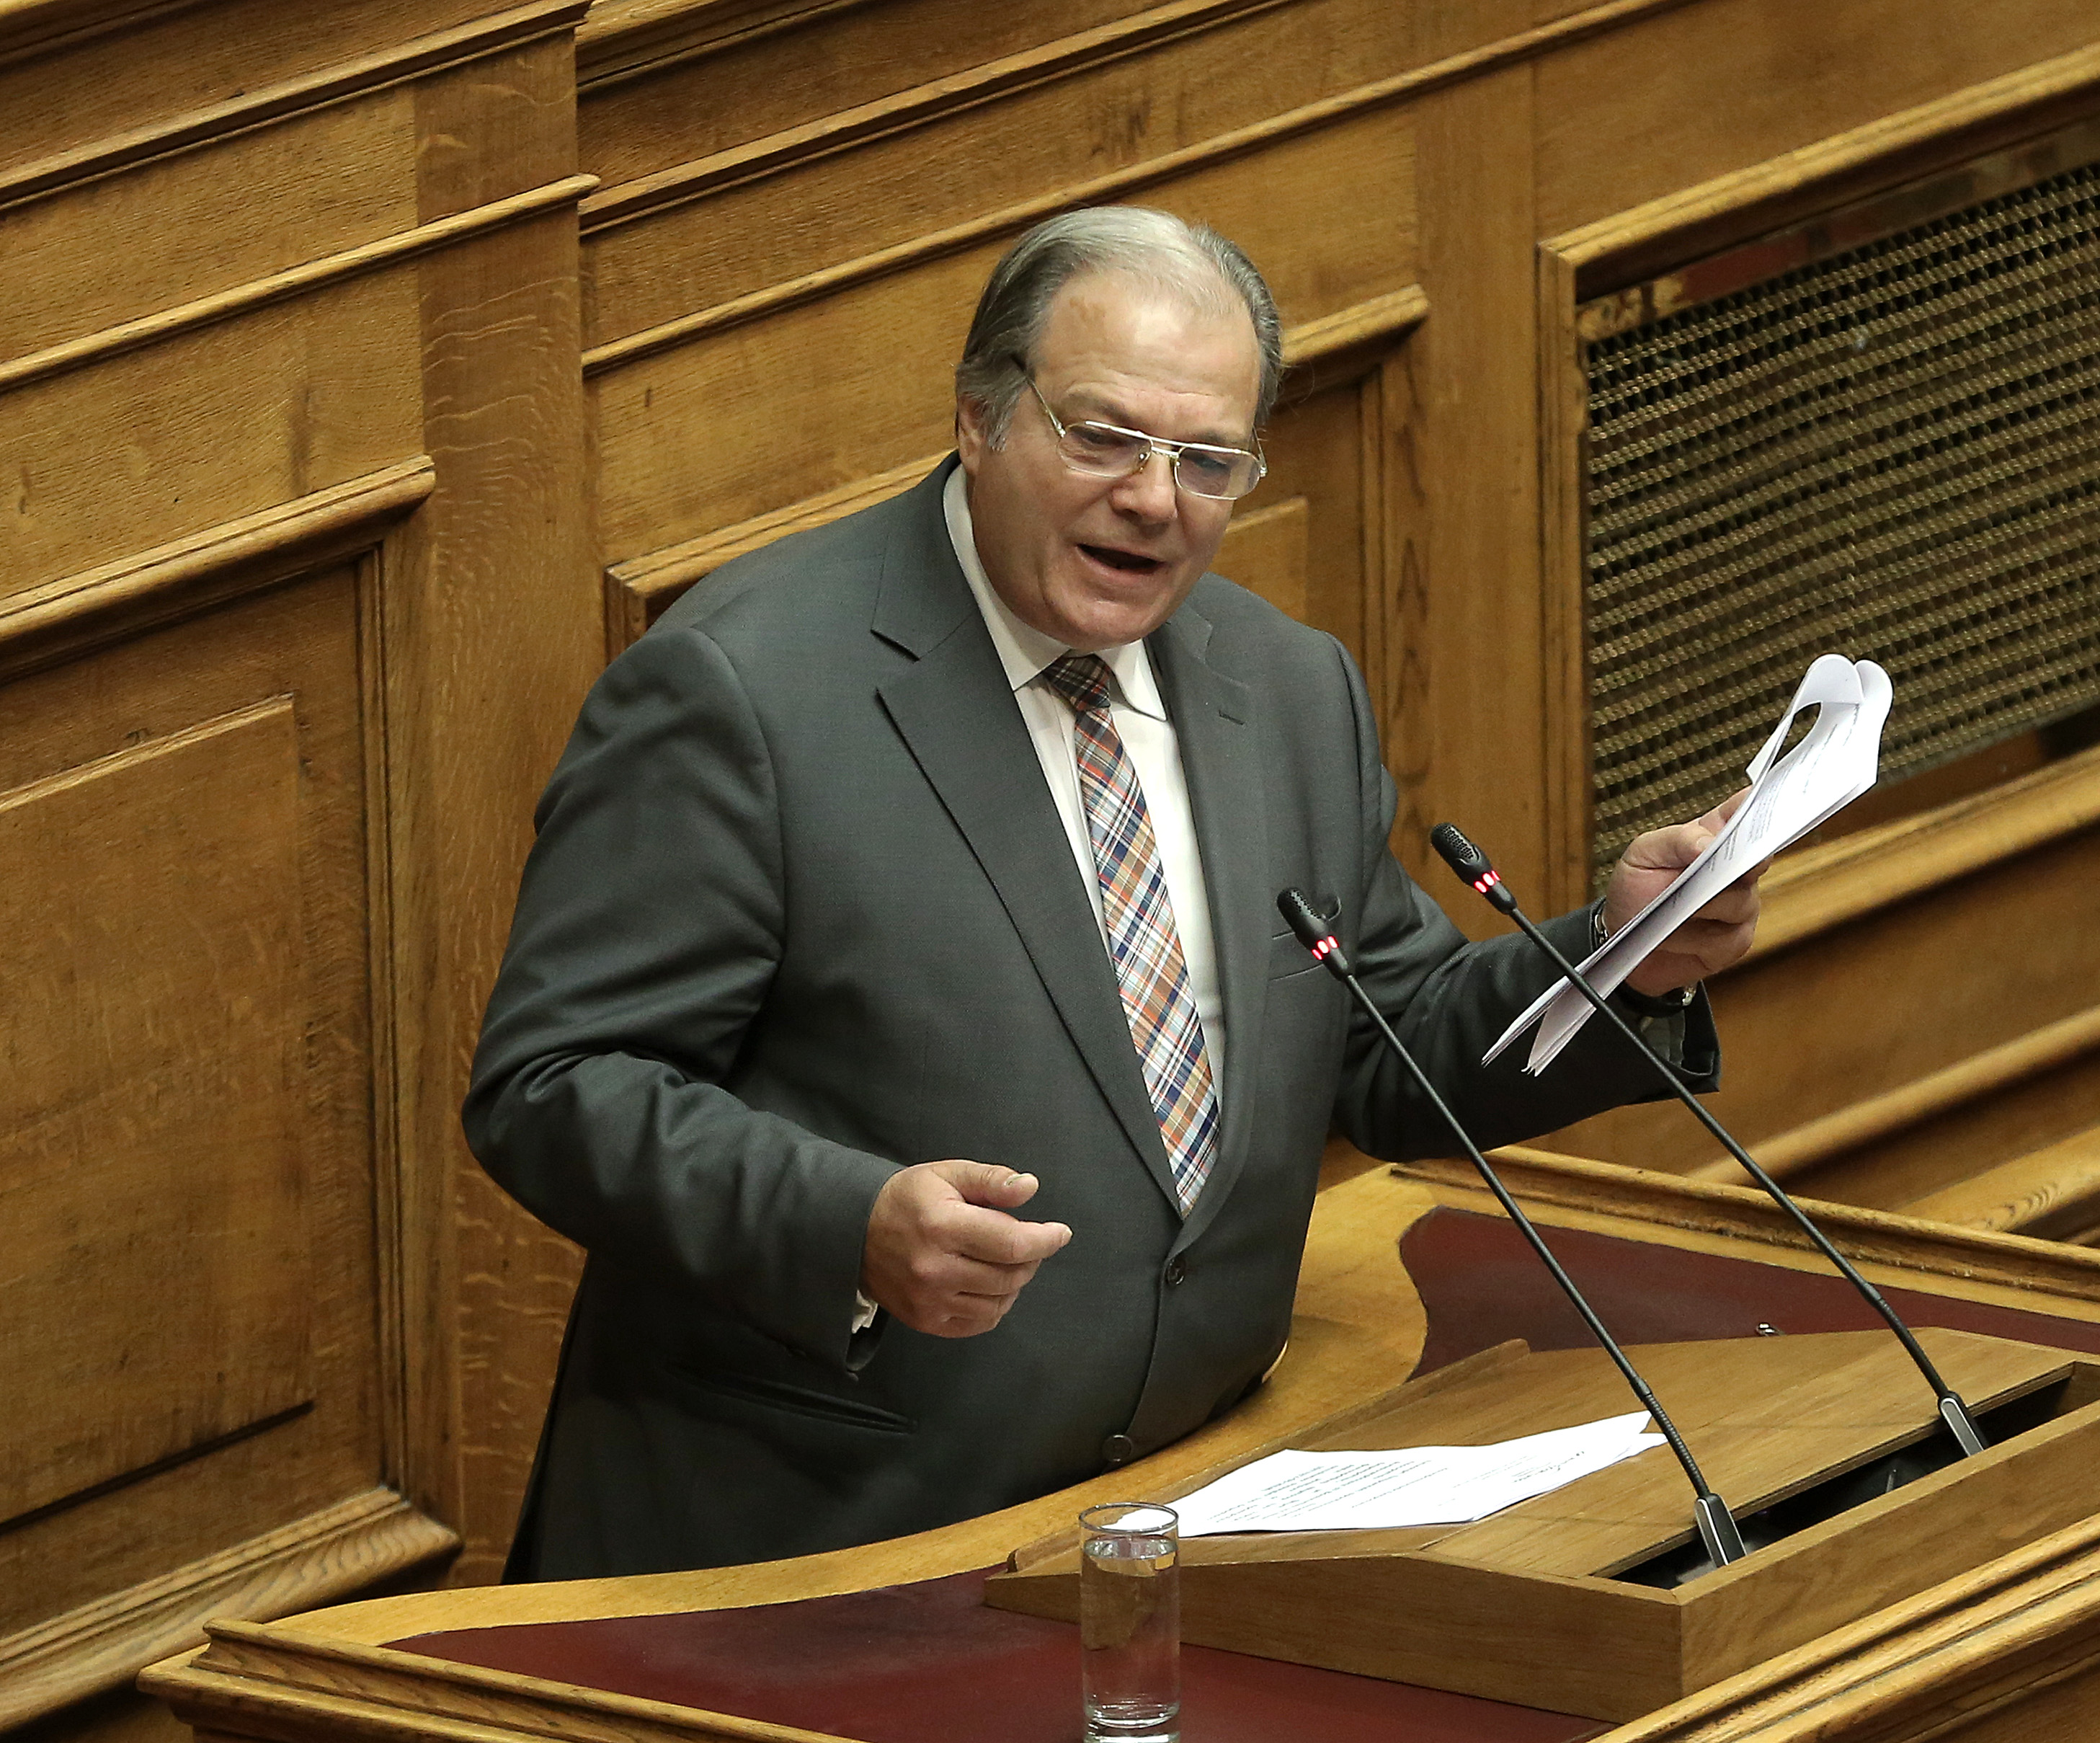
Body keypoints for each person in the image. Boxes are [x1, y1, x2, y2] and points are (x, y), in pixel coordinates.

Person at [465, 206, 1761, 1581]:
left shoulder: (1286, 686)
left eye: (1208, 460)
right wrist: (845, 1225)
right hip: (818, 1542)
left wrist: (1623, 953)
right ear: (979, 418)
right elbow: (554, 1082)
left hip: (1176, 1520)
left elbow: (1391, 1043)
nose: (1155, 498)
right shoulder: (744, 690)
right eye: (1103, 436)